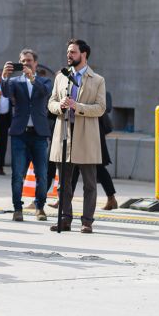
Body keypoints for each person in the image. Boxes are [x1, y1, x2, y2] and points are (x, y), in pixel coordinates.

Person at [47, 40, 106, 233]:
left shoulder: (97, 80)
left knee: (89, 182)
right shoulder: (61, 77)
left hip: (86, 136)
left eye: (73, 52)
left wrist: (77, 107)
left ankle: (87, 221)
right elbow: (51, 102)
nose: (69, 55)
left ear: (84, 54)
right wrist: (60, 106)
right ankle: (65, 218)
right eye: (68, 52)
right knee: (63, 183)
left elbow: (100, 108)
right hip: (63, 133)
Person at [2, 50, 53, 221]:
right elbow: (6, 94)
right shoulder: (15, 82)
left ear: (36, 63)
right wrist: (4, 77)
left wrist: (32, 78)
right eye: (23, 61)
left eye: (29, 60)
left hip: (39, 134)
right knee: (17, 174)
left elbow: (45, 93)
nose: (26, 63)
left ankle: (40, 207)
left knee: (42, 173)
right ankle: (18, 208)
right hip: (19, 134)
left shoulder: (45, 81)